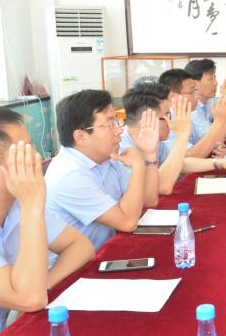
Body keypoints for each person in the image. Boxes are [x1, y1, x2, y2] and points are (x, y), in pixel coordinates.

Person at [0, 106, 94, 336]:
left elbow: (81, 246)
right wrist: (32, 206)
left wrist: (42, 284)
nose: (37, 158)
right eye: (25, 151)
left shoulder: (16, 203)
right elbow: (30, 299)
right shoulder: (27, 203)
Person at [45, 89, 160, 250]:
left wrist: (149, 153)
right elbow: (128, 222)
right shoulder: (68, 175)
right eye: (110, 124)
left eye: (118, 122)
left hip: (109, 249)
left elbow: (149, 200)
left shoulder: (105, 157)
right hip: (82, 264)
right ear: (81, 137)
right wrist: (139, 166)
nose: (119, 130)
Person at [120, 85, 226, 194]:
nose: (171, 121)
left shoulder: (153, 140)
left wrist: (219, 163)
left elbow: (180, 163)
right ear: (146, 120)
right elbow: (161, 187)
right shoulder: (123, 150)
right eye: (167, 115)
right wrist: (182, 135)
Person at [159, 67, 226, 159]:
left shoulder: (190, 113)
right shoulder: (166, 120)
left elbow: (207, 140)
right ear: (173, 96)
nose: (196, 96)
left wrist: (216, 146)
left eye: (196, 91)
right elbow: (187, 158)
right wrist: (220, 120)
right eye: (192, 91)